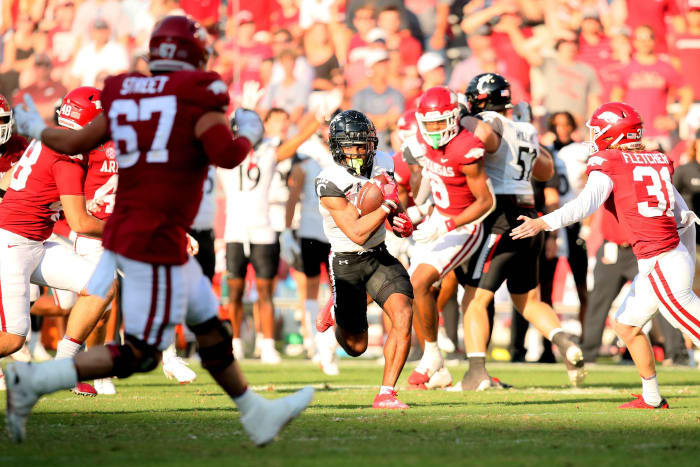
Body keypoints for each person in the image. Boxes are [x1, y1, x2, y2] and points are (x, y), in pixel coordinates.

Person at [6, 15, 313, 445]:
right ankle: (34, 383)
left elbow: (75, 144)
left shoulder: (122, 92)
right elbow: (227, 156)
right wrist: (248, 133)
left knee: (206, 326)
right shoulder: (198, 95)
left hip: (147, 225)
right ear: (193, 53)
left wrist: (36, 131)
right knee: (146, 350)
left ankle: (254, 412)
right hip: (149, 230)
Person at [512, 101, 700, 409]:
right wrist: (684, 257)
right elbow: (684, 216)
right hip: (668, 255)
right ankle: (652, 397)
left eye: (599, 130)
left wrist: (543, 222)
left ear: (614, 133)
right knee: (626, 325)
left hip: (661, 258)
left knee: (691, 323)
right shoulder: (657, 159)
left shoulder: (609, 161)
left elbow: (585, 205)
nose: (595, 136)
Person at [452, 73, 585, 391]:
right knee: (528, 300)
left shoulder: (486, 120)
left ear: (480, 99)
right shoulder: (525, 128)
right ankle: (564, 340)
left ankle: (475, 373)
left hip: (501, 216)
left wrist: (465, 120)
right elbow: (546, 169)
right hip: (530, 215)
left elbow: (483, 133)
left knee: (474, 299)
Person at [314, 110, 414, 408]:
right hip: (345, 260)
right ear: (335, 147)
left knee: (403, 311)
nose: (357, 151)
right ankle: (335, 309)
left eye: (362, 144)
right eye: (350, 145)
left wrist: (400, 218)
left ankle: (387, 392)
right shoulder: (328, 180)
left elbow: (394, 199)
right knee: (356, 346)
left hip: (378, 254)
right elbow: (357, 232)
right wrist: (386, 207)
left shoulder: (384, 160)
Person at [405, 86, 496, 390]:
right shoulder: (424, 142)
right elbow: (433, 181)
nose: (432, 130)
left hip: (464, 226)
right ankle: (437, 366)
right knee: (413, 287)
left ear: (454, 117)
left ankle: (431, 356)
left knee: (418, 282)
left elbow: (486, 202)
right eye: (427, 123)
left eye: (438, 123)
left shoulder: (466, 147)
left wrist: (446, 225)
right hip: (438, 217)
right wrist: (419, 211)